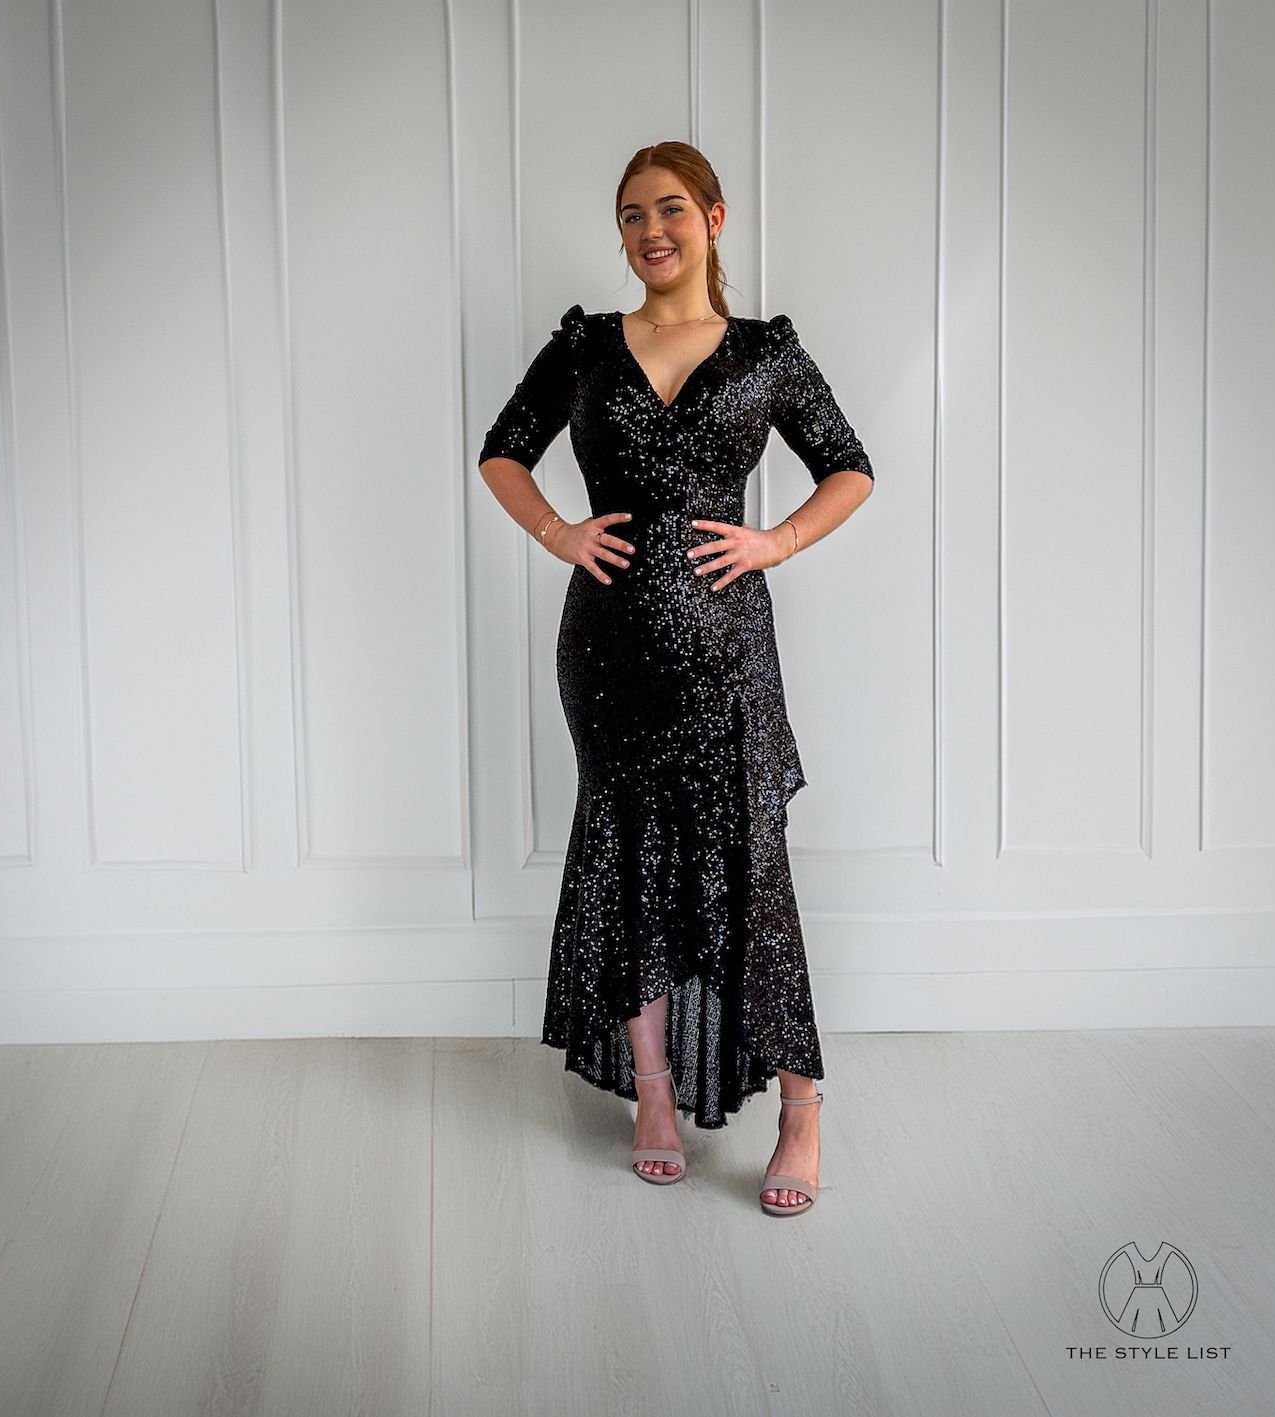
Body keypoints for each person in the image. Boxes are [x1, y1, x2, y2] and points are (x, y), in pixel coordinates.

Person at [477, 141, 873, 1216]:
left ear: (712, 218)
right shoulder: (586, 346)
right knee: (627, 861)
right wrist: (559, 531)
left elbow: (849, 467)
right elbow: (504, 449)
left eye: (669, 210)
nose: (650, 231)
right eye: (630, 215)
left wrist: (777, 541)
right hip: (606, 650)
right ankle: (651, 1094)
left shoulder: (763, 354)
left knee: (753, 869)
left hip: (727, 651)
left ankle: (800, 1109)